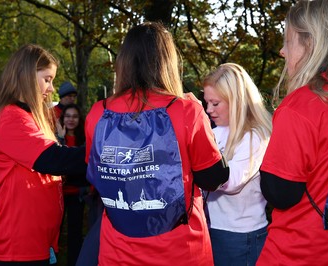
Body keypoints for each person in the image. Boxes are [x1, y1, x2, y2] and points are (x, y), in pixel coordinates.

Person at [84, 22, 229, 266]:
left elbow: (98, 174)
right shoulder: (187, 110)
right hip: (180, 251)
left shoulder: (98, 113)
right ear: (167, 62)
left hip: (117, 250)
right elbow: (212, 177)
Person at [0, 44, 87, 265]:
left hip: (35, 242)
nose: (51, 88)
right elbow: (52, 159)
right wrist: (109, 150)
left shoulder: (25, 116)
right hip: (16, 246)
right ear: (27, 75)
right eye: (47, 79)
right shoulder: (10, 117)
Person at [257, 0, 328, 265]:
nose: (282, 51)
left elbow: (281, 193)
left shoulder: (301, 107)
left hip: (298, 252)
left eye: (288, 41)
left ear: (311, 44)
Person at [203, 63, 272, 266]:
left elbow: (232, 182)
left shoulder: (255, 136)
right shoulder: (215, 131)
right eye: (206, 103)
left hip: (241, 236)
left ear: (237, 101)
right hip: (213, 228)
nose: (209, 110)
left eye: (215, 103)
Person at [56, 104, 95, 266]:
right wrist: (61, 138)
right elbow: (56, 161)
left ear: (80, 120)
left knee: (75, 232)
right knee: (55, 231)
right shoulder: (56, 139)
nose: (71, 120)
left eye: (75, 116)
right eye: (68, 116)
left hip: (77, 194)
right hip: (59, 194)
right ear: (62, 118)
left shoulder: (84, 140)